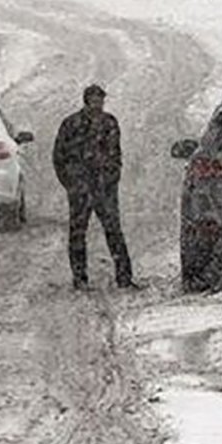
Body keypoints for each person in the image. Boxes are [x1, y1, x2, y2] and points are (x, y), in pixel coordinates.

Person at [53, 84, 138, 291]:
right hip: (81, 188)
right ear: (86, 100)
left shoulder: (109, 123)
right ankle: (80, 278)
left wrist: (111, 179)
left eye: (100, 99)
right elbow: (59, 156)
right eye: (94, 99)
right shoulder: (71, 124)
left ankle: (124, 277)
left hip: (104, 188)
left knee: (113, 231)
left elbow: (116, 155)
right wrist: (71, 184)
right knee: (78, 233)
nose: (98, 103)